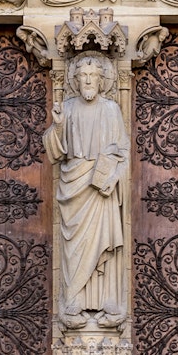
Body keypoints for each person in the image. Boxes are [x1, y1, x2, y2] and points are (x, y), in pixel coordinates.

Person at [44, 54, 127, 328]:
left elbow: (123, 151)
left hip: (101, 188)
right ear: (75, 81)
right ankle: (74, 301)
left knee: (105, 243)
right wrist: (57, 125)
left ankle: (107, 301)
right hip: (75, 187)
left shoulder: (111, 109)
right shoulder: (66, 108)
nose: (88, 80)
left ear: (102, 80)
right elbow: (55, 153)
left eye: (93, 76)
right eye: (83, 76)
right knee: (74, 248)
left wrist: (113, 176)